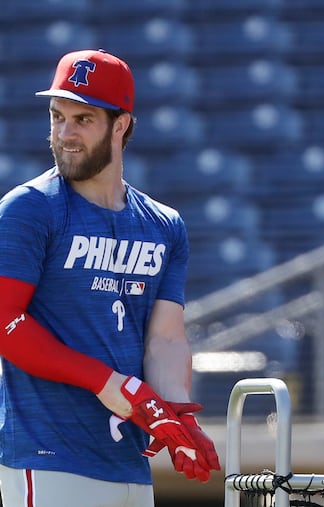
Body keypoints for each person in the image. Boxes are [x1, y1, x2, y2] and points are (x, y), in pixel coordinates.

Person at [0, 49, 220, 506]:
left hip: (128, 461)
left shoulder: (164, 225)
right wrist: (108, 383)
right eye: (57, 116)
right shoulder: (28, 209)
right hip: (47, 456)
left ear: (121, 126)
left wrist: (176, 411)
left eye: (83, 119)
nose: (64, 134)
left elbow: (165, 340)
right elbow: (4, 322)